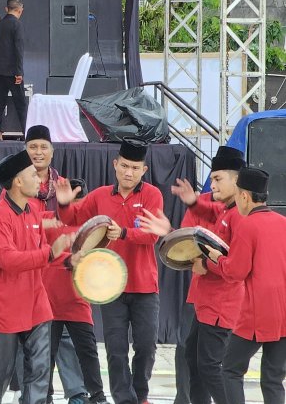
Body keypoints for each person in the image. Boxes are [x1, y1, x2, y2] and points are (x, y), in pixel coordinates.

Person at [55, 139, 163, 404]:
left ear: (144, 170)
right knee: (116, 350)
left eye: (135, 168)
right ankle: (124, 399)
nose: (129, 172)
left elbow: (151, 235)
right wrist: (66, 203)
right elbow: (72, 219)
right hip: (109, 286)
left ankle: (141, 394)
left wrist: (124, 233)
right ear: (115, 165)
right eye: (124, 166)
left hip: (144, 285)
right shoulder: (100, 195)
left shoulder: (152, 195)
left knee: (146, 347)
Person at [137, 145, 247, 404]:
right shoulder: (211, 205)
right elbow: (186, 244)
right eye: (212, 178)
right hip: (200, 297)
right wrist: (170, 231)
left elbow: (236, 265)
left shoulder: (241, 215)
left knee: (210, 365)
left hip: (223, 302)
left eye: (218, 179)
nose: (213, 184)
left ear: (237, 180)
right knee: (190, 359)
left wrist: (205, 264)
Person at [0, 150, 73, 404]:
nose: (39, 180)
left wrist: (70, 259)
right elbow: (7, 260)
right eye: (33, 174)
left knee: (40, 369)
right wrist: (50, 253)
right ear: (17, 182)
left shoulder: (32, 210)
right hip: (6, 305)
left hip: (35, 301)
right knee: (2, 370)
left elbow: (44, 256)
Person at [199, 167, 286, 404]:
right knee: (273, 378)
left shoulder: (248, 225)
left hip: (256, 314)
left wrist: (216, 258)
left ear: (245, 196)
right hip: (284, 314)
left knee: (230, 370)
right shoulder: (283, 223)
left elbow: (236, 272)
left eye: (237, 195)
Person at [26, 125, 90, 404]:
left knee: (64, 336)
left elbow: (75, 224)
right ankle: (41, 394)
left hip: (60, 269)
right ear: (25, 150)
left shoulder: (63, 186)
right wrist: (39, 224)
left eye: (43, 147)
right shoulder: (17, 183)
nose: (38, 152)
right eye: (33, 147)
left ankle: (76, 391)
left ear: (52, 152)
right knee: (35, 339)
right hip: (27, 268)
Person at [0, 0, 27, 140]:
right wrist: (19, 72)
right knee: (21, 104)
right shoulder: (16, 24)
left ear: (7, 9)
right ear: (19, 10)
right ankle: (27, 134)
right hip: (12, 72)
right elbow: (18, 49)